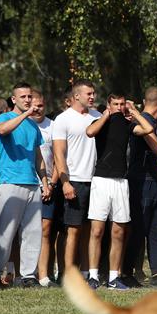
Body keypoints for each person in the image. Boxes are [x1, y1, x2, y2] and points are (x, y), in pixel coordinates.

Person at [0, 82, 51, 288]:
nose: (27, 100)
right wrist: (26, 114)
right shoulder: (5, 117)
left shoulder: (33, 125)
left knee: (32, 232)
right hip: (10, 182)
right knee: (7, 230)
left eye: (29, 96)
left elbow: (38, 155)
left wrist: (45, 181)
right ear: (14, 99)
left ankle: (28, 275)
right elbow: (2, 130)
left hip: (32, 183)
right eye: (23, 97)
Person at [85, 94, 154, 290]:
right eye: (115, 104)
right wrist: (106, 115)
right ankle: (93, 276)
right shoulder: (99, 121)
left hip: (121, 181)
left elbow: (148, 129)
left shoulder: (128, 124)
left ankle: (114, 277)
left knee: (118, 231)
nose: (119, 107)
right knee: (97, 230)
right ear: (109, 105)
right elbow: (90, 132)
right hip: (101, 180)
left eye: (121, 104)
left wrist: (134, 112)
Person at [123, 78, 157, 288]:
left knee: (154, 229)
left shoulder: (152, 117)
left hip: (154, 180)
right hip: (141, 181)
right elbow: (154, 146)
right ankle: (127, 272)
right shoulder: (139, 121)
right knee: (139, 229)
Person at [52, 81, 100, 280]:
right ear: (76, 96)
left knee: (91, 229)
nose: (92, 97)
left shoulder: (98, 116)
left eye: (93, 93)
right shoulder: (63, 119)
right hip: (75, 180)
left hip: (97, 180)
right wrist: (65, 182)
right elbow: (59, 153)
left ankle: (87, 272)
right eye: (88, 93)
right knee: (73, 229)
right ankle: (68, 273)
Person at [31, 90, 62, 286]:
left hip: (49, 184)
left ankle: (44, 275)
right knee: (25, 231)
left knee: (46, 229)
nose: (37, 109)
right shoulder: (22, 125)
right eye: (34, 106)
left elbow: (60, 159)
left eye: (40, 106)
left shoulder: (53, 126)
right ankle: (23, 273)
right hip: (26, 182)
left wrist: (51, 183)